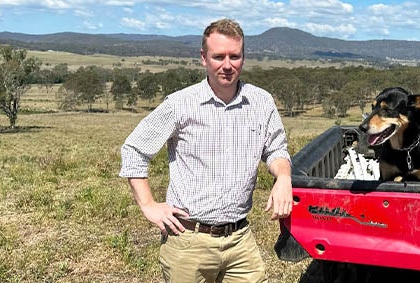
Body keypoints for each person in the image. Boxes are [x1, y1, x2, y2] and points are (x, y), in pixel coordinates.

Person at [119, 18, 293, 283]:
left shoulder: (261, 102)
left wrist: (283, 177)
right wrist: (149, 205)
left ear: (243, 57)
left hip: (240, 239)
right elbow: (134, 150)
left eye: (234, 56)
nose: (227, 65)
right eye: (218, 56)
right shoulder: (181, 104)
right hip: (188, 240)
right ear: (203, 58)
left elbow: (276, 149)